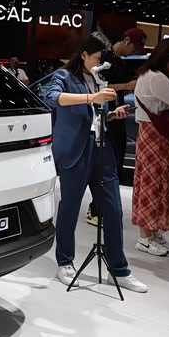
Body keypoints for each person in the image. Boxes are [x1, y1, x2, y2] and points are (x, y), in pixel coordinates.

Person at [42, 35, 147, 293]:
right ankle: (65, 262)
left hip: (102, 150)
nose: (101, 63)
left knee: (113, 210)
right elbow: (51, 97)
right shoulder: (65, 76)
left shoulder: (100, 79)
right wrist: (92, 98)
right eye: (98, 58)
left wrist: (112, 114)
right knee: (70, 208)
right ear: (84, 55)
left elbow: (96, 117)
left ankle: (118, 270)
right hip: (76, 151)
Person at [132, 39, 169, 256]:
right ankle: (144, 239)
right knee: (152, 184)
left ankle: (151, 230)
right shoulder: (156, 78)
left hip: (156, 136)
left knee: (156, 183)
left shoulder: (150, 75)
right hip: (156, 137)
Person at [85, 29, 143, 226]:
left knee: (115, 165)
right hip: (102, 117)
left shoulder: (121, 63)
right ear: (126, 40)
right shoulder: (105, 59)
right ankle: (96, 209)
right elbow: (100, 84)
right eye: (134, 47)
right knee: (103, 166)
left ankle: (104, 208)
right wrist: (126, 85)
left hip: (116, 115)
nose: (135, 51)